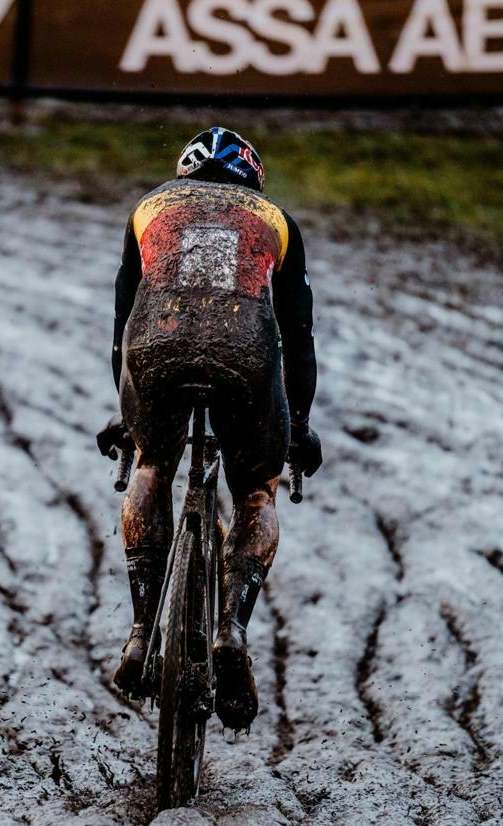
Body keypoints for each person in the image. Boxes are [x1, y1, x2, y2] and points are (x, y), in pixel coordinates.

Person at [97, 126, 322, 732]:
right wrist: (298, 423)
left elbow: (121, 321)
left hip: (155, 349)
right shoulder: (275, 221)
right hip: (244, 354)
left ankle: (142, 632)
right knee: (256, 489)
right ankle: (231, 629)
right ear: (251, 177)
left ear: (185, 173)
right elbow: (299, 340)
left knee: (151, 464)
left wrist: (127, 414)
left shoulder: (149, 208)